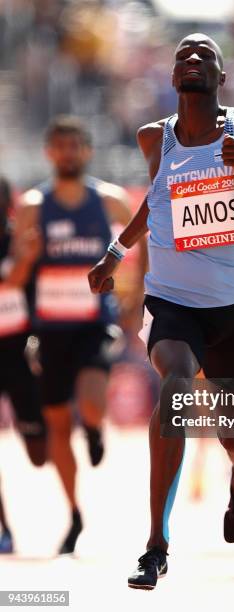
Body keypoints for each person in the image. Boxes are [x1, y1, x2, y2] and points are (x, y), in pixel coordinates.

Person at [88, 33, 234, 590]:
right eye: (183, 56)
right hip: (171, 300)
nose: (193, 60)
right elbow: (156, 201)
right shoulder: (155, 138)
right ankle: (156, 545)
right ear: (173, 78)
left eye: (206, 56)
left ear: (221, 79)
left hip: (233, 307)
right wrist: (114, 253)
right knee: (173, 388)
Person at [15, 117, 132, 554]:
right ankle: (74, 514)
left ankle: (97, 428)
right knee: (57, 425)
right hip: (50, 328)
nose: (67, 154)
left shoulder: (109, 201)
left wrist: (139, 287)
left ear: (87, 151)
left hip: (93, 322)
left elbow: (147, 238)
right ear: (50, 153)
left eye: (75, 146)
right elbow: (20, 268)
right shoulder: (32, 205)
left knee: (91, 401)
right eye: (59, 147)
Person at [0, 176, 46, 553]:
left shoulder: (21, 238)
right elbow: (13, 278)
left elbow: (20, 280)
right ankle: (5, 529)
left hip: (19, 355)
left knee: (38, 454)